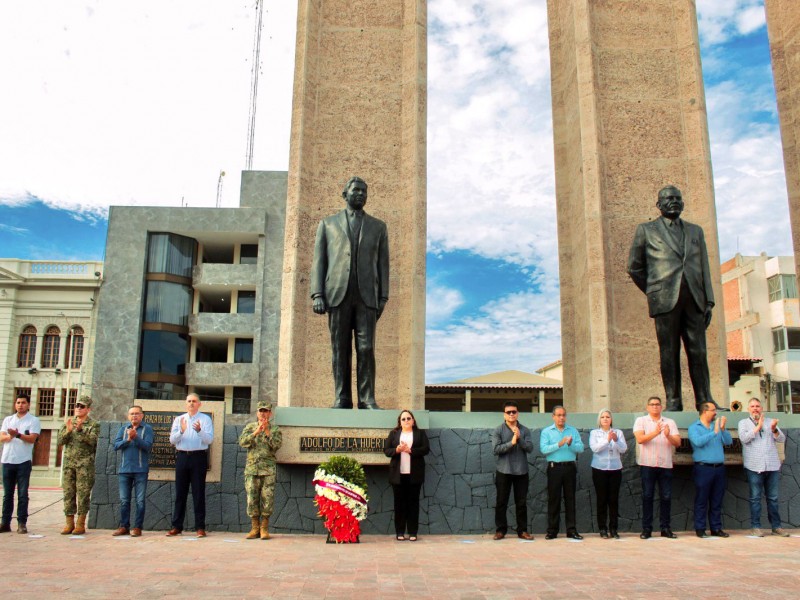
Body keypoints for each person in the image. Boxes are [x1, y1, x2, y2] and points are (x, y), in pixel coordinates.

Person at [627, 185, 720, 411]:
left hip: (695, 300)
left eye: (677, 198)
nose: (674, 202)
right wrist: (653, 291)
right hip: (665, 300)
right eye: (668, 199)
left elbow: (704, 268)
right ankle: (674, 401)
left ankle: (705, 400)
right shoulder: (646, 230)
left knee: (698, 351)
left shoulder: (695, 231)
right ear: (659, 205)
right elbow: (634, 267)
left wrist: (709, 300)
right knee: (669, 351)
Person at [311, 176, 390, 409]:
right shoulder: (328, 224)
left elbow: (383, 265)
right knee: (340, 348)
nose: (361, 194)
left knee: (366, 348)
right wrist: (317, 294)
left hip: (367, 297)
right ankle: (342, 398)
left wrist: (383, 296)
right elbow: (319, 261)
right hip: (337, 294)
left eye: (364, 191)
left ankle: (367, 399)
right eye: (356, 190)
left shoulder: (379, 227)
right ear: (345, 194)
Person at [738, 397, 790, 537]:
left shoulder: (770, 421)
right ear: (748, 409)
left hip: (772, 465)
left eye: (758, 406)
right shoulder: (743, 423)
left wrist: (774, 430)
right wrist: (758, 427)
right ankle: (756, 527)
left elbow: (781, 439)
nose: (755, 408)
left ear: (762, 408)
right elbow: (744, 439)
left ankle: (776, 526)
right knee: (755, 498)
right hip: (754, 466)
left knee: (773, 498)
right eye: (753, 406)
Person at [167, 393, 214, 537]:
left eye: (194, 401)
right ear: (185, 403)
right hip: (182, 457)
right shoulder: (179, 419)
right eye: (189, 401)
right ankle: (177, 526)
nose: (192, 403)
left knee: (198, 493)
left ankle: (200, 527)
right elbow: (172, 440)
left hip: (198, 458)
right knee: (180, 493)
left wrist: (199, 430)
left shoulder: (205, 419)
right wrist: (181, 430)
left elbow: (209, 440)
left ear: (199, 404)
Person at [633, 396, 681, 539]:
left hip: (665, 464)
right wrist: (656, 432)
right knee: (647, 496)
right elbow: (640, 439)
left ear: (661, 407)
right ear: (647, 407)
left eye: (657, 404)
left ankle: (665, 528)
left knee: (666, 496)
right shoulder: (641, 421)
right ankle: (647, 529)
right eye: (652, 405)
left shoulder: (670, 422)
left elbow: (677, 442)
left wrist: (667, 436)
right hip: (647, 464)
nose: (655, 407)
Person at [238, 400, 282, 540]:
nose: (263, 413)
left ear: (270, 413)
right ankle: (254, 527)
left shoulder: (275, 429)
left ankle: (264, 528)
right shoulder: (250, 427)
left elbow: (276, 446)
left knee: (267, 499)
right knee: (252, 498)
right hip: (252, 469)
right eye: (261, 411)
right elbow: (243, 442)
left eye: (266, 411)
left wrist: (267, 432)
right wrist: (256, 432)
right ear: (257, 413)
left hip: (268, 470)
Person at [384, 409, 430, 541]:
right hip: (397, 475)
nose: (406, 421)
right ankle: (399, 532)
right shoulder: (393, 434)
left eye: (408, 418)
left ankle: (413, 532)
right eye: (403, 419)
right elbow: (386, 450)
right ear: (400, 422)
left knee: (413, 503)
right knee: (399, 504)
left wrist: (410, 450)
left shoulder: (420, 434)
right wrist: (397, 450)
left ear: (413, 421)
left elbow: (426, 449)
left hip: (414, 474)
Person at [490, 401, 534, 540]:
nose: (511, 414)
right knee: (501, 502)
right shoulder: (498, 430)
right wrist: (511, 443)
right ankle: (500, 530)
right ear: (504, 414)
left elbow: (530, 448)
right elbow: (495, 450)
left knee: (521, 503)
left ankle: (522, 531)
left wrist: (519, 439)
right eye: (508, 412)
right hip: (504, 471)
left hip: (521, 471)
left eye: (513, 412)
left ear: (517, 413)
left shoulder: (525, 430)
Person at [688, 402, 732, 537]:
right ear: (704, 411)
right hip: (703, 468)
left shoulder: (717, 426)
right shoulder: (694, 427)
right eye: (713, 410)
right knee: (702, 499)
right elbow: (698, 442)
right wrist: (714, 433)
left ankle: (716, 528)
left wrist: (723, 429)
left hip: (719, 468)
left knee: (717, 500)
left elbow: (728, 442)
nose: (715, 413)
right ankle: (700, 528)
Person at [540, 405, 584, 540]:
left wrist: (571, 444)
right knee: (554, 499)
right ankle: (552, 531)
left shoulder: (573, 431)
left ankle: (571, 530)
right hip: (554, 468)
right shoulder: (547, 432)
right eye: (558, 415)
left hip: (570, 468)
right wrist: (559, 444)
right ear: (553, 416)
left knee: (570, 499)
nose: (561, 417)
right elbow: (544, 449)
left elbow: (581, 448)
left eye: (564, 415)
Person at [57, 395, 99, 535]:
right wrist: (69, 431)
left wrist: (80, 430)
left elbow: (93, 441)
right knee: (68, 493)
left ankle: (80, 524)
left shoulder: (93, 425)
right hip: (69, 464)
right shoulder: (68, 422)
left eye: (82, 406)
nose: (78, 408)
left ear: (88, 409)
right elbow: (60, 441)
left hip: (84, 466)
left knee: (83, 494)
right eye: (77, 406)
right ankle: (69, 523)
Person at [0, 394, 41, 534]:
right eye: (18, 402)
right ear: (15, 404)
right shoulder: (8, 420)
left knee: (23, 494)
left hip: (23, 461)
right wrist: (10, 436)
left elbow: (32, 439)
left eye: (23, 403)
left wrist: (18, 435)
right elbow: (2, 437)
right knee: (7, 494)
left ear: (28, 405)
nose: (20, 405)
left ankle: (22, 523)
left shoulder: (33, 420)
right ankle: (5, 523)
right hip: (7, 460)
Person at [112, 405, 154, 537]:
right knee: (124, 500)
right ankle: (124, 526)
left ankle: (137, 527)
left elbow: (148, 446)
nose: (134, 416)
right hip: (125, 470)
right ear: (128, 416)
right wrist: (128, 439)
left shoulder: (147, 429)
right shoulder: (123, 429)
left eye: (137, 414)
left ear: (142, 415)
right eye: (132, 414)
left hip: (140, 470)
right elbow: (116, 445)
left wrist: (136, 438)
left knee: (140, 500)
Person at [589, 408, 627, 539]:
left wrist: (616, 440)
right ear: (599, 420)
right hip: (599, 468)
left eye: (608, 417)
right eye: (603, 417)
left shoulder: (618, 432)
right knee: (602, 499)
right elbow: (595, 448)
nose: (605, 419)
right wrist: (607, 440)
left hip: (615, 469)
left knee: (613, 499)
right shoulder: (595, 433)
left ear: (611, 420)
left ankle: (613, 528)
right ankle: (602, 528)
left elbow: (623, 449)